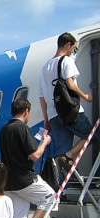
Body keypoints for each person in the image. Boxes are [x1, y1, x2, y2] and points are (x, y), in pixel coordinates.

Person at [0, 98, 54, 218]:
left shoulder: (4, 130)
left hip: (9, 182)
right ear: (27, 111)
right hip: (24, 179)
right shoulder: (22, 128)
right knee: (50, 196)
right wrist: (45, 141)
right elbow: (35, 155)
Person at [39, 32, 98, 169]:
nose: (73, 52)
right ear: (67, 44)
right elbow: (70, 84)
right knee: (91, 134)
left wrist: (46, 118)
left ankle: (59, 185)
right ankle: (70, 155)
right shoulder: (67, 61)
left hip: (54, 115)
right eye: (73, 48)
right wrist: (85, 97)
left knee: (60, 152)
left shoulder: (45, 67)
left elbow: (41, 96)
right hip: (70, 111)